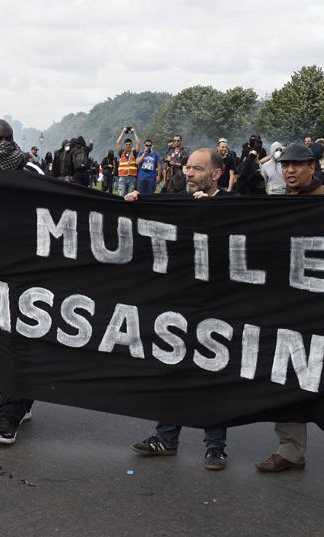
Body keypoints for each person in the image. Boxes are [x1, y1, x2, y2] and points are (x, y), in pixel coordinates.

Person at [255, 142, 324, 475]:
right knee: (282, 379)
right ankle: (290, 450)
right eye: (285, 165)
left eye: (298, 165)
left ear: (312, 168)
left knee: (322, 380)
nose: (290, 171)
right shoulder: (280, 204)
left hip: (323, 309)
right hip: (285, 305)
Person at [126, 149, 232, 470]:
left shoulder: (234, 204)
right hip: (177, 302)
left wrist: (211, 213)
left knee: (211, 375)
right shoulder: (175, 199)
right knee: (172, 369)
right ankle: (166, 438)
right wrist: (135, 203)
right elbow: (148, 223)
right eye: (186, 168)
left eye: (197, 169)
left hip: (217, 303)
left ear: (216, 174)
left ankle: (215, 447)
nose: (188, 173)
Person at [0, 119, 36, 445]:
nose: (0, 145)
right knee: (1, 343)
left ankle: (9, 415)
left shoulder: (32, 173)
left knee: (17, 343)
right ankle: (17, 402)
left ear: (13, 139)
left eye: (5, 139)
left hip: (28, 272)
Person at [115, 128, 139, 197]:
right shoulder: (121, 152)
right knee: (121, 195)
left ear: (131, 144)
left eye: (129, 144)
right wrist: (123, 132)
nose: (128, 146)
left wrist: (134, 132)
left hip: (132, 177)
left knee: (130, 196)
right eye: (127, 144)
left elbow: (138, 143)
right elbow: (118, 142)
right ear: (125, 145)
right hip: (122, 176)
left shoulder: (134, 152)